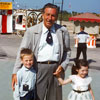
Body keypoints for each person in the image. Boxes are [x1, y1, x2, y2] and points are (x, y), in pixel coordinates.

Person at [12, 3, 71, 100]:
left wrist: (63, 66)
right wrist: (15, 72)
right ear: (43, 15)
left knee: (55, 98)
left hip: (56, 70)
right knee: (37, 97)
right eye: (47, 14)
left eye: (53, 15)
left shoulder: (62, 31)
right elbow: (22, 51)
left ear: (56, 17)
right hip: (37, 69)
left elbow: (67, 52)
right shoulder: (31, 31)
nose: (49, 18)